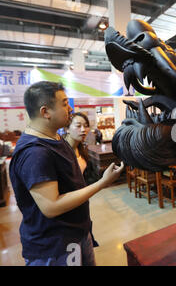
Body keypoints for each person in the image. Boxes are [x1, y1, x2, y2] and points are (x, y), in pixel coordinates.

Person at [9, 81, 124, 266]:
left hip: (77, 234)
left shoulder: (55, 138)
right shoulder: (35, 153)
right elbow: (51, 206)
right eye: (64, 103)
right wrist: (102, 183)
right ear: (45, 112)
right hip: (55, 246)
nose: (70, 108)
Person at [64, 112, 96, 184]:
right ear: (67, 129)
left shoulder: (81, 148)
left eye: (86, 126)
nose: (83, 130)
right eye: (78, 126)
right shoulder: (61, 151)